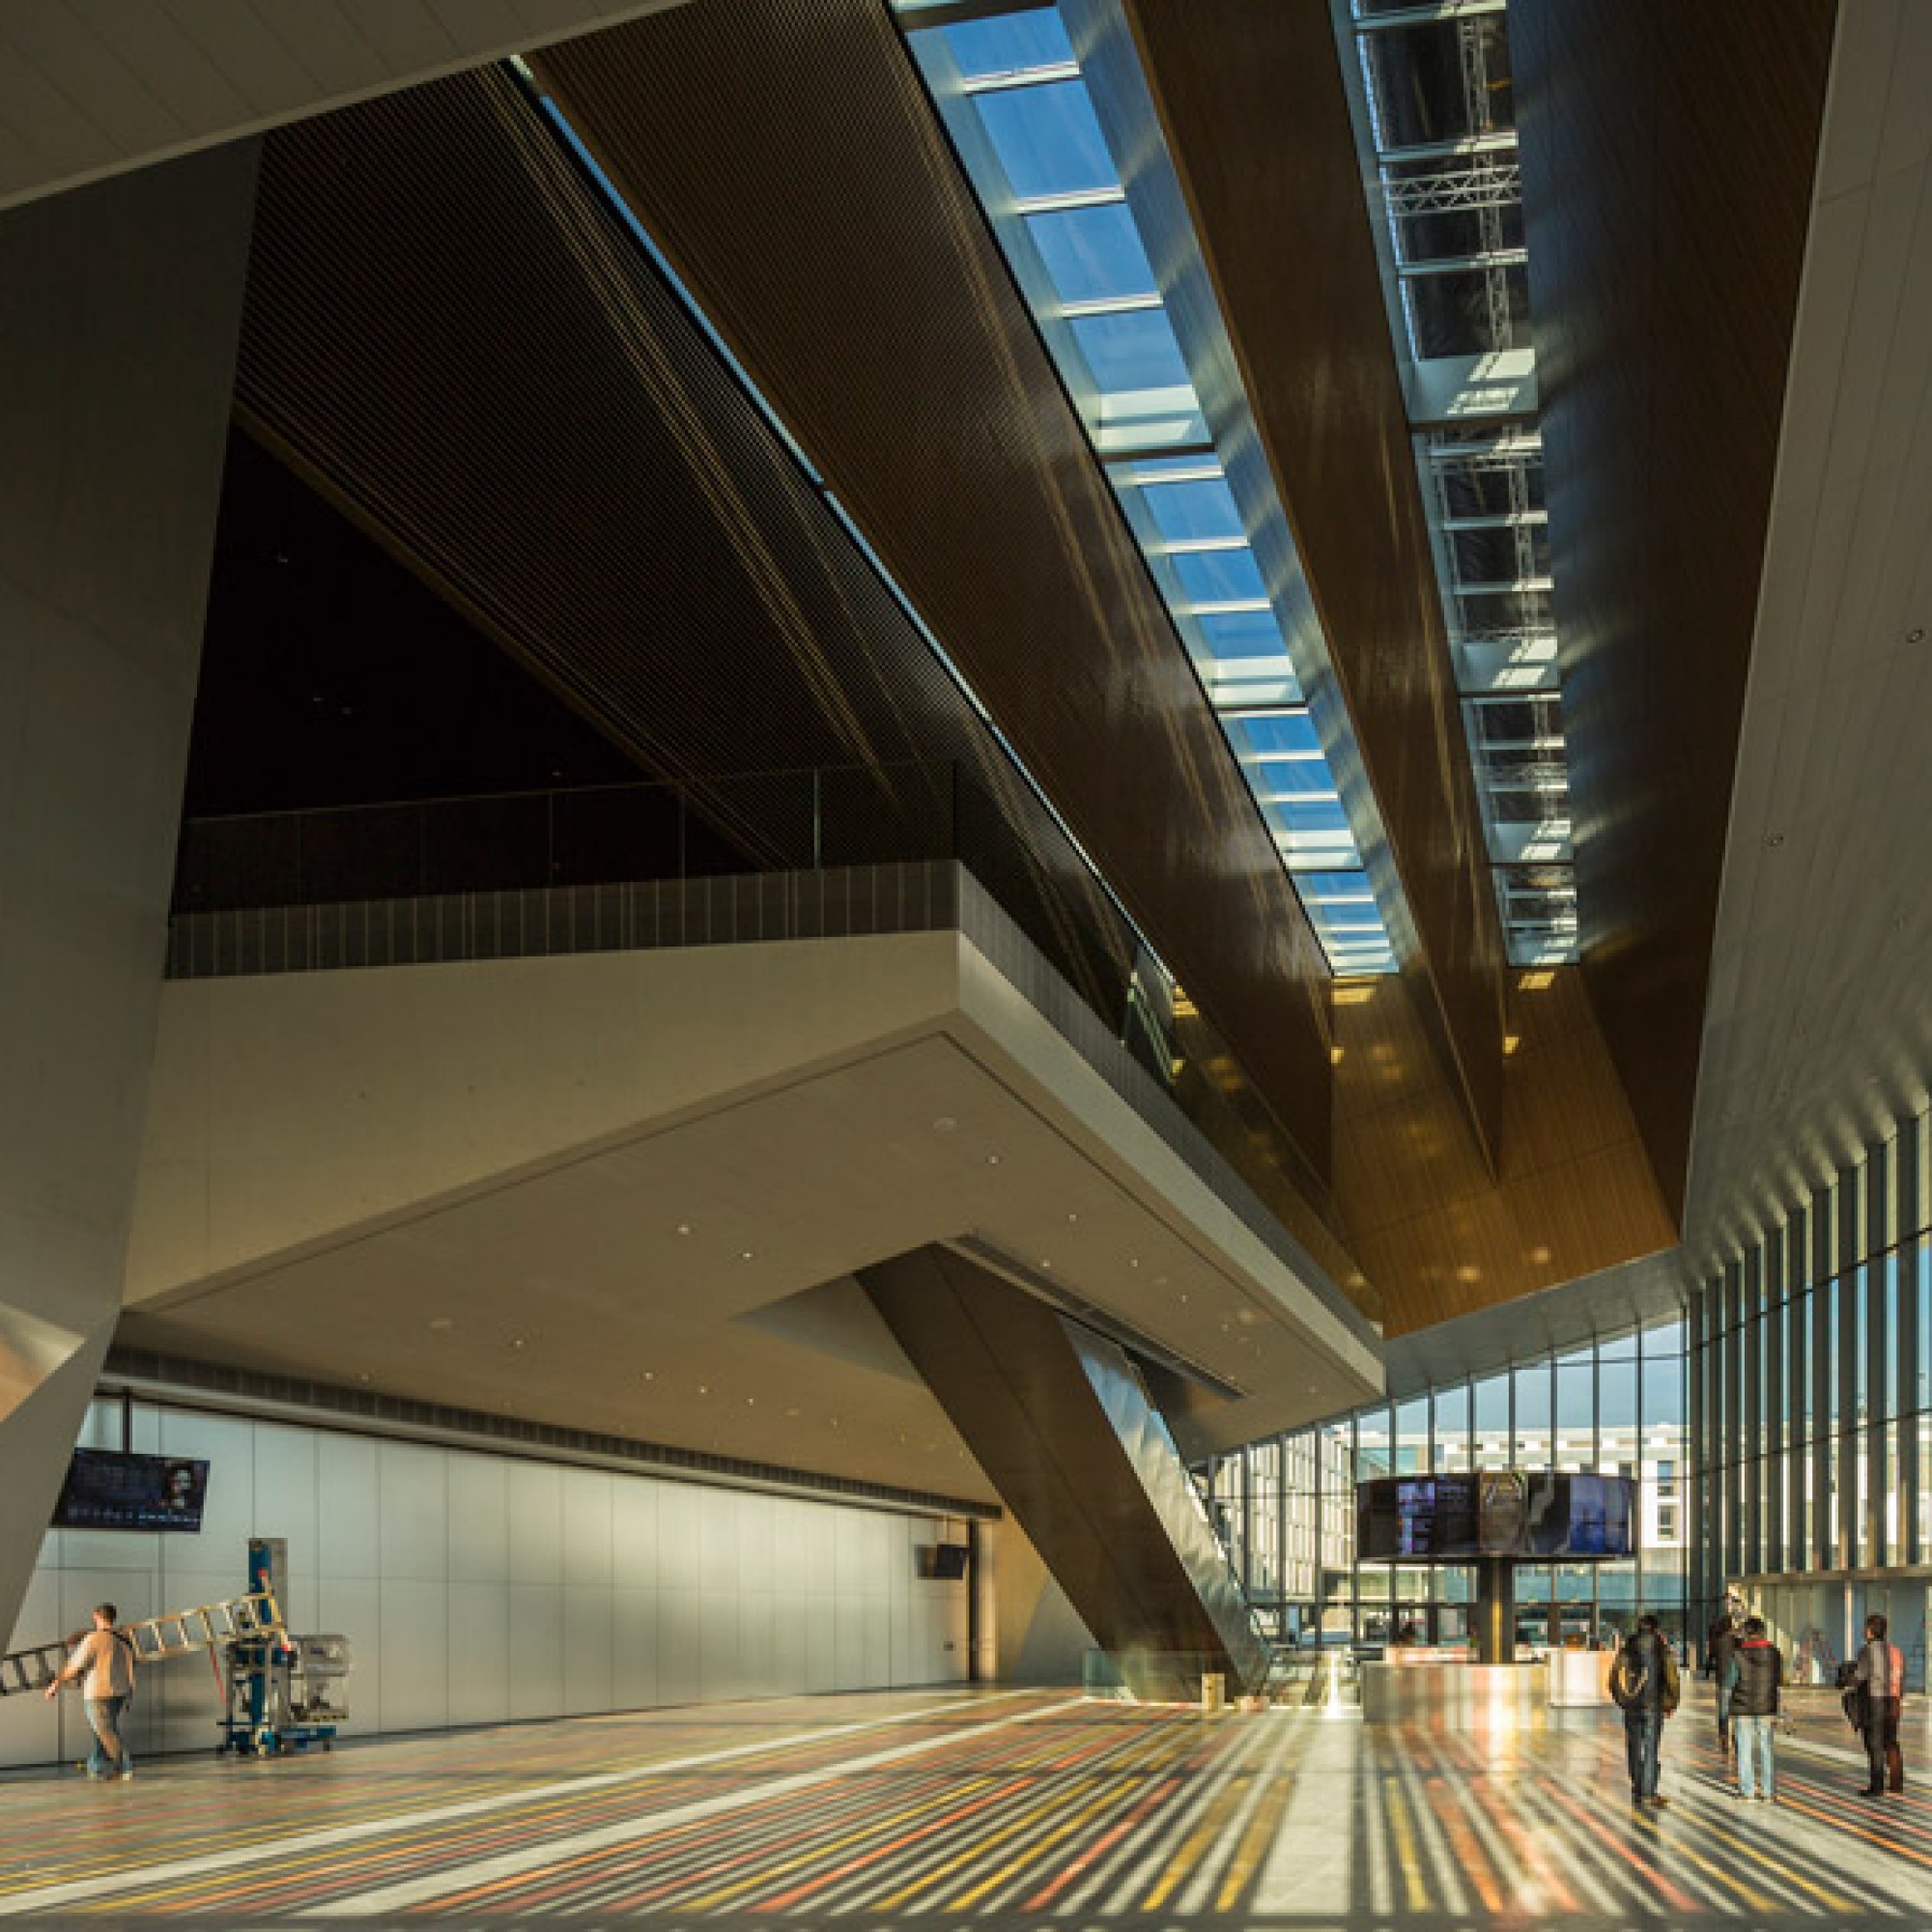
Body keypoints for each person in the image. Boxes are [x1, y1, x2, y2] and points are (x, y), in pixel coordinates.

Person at [43, 1603, 137, 1780]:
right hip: (119, 1693)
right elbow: (131, 1668)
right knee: (101, 1730)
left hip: (98, 1693)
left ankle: (124, 1768)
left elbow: (74, 1666)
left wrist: (56, 1683)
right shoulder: (124, 1640)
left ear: (96, 1616)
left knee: (105, 1731)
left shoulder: (94, 1639)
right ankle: (95, 1764)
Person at [1614, 1612, 1682, 1807]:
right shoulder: (1661, 1649)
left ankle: (1637, 1787)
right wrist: (1671, 1703)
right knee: (1651, 1749)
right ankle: (1648, 1792)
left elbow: (1614, 1677)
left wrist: (1622, 1700)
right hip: (1653, 1706)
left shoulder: (1627, 1648)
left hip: (1632, 1706)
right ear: (1655, 1628)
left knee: (1634, 1747)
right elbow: (1672, 1678)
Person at [1722, 1615, 1783, 1802]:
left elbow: (1730, 1682)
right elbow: (1778, 1679)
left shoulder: (1737, 1654)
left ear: (1747, 1633)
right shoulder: (1774, 1653)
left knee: (1744, 1749)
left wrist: (1725, 1710)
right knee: (1766, 1748)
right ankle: (1768, 1791)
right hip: (1766, 1706)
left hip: (1742, 1707)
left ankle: (1747, 1791)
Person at [1853, 1611, 1906, 1797]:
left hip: (1876, 1699)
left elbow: (1859, 1677)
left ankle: (1877, 1785)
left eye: (1866, 1628)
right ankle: (1896, 1783)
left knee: (1874, 1743)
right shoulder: (1896, 1651)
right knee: (1891, 1741)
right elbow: (1902, 1679)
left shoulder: (1867, 1651)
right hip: (1894, 1700)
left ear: (1870, 1631)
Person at [1708, 1607, 1740, 1757]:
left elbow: (1711, 1657)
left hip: (1722, 1679)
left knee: (1723, 1710)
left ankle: (1723, 1737)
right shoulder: (1736, 1641)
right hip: (1736, 1680)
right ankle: (1735, 1737)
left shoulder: (1717, 1641)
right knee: (1737, 1710)